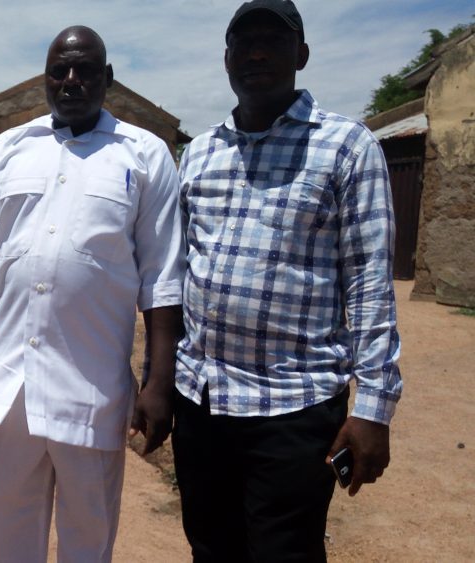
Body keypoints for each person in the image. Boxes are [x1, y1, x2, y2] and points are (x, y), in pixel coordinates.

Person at [0, 26, 186, 563]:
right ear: (45, 77)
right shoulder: (7, 150)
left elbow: (163, 275)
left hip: (92, 393)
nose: (70, 79)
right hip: (12, 391)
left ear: (108, 79)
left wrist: (159, 382)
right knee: (6, 542)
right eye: (59, 70)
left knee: (87, 544)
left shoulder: (144, 155)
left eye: (84, 69)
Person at [173, 1, 403, 561]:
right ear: (225, 57)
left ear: (300, 55)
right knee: (211, 548)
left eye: (273, 42)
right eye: (243, 41)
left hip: (293, 406)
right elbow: (176, 271)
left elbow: (370, 283)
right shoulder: (199, 153)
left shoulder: (347, 147)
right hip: (202, 402)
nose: (256, 52)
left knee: (285, 552)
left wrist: (373, 408)